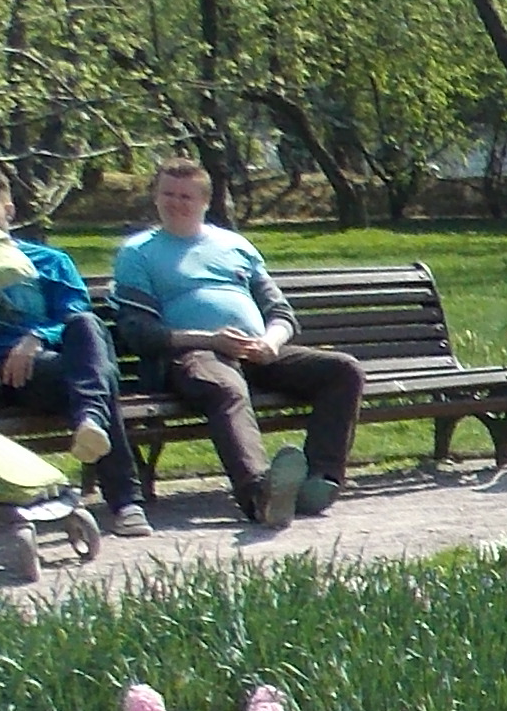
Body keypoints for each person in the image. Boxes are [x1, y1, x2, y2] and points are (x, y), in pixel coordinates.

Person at [111, 157, 360, 531]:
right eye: (168, 194)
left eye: (186, 196)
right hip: (190, 355)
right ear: (155, 197)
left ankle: (319, 481)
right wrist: (210, 340)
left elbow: (280, 311)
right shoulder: (139, 252)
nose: (176, 203)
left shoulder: (235, 245)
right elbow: (139, 332)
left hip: (257, 352)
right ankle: (260, 493)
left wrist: (271, 342)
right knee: (226, 387)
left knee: (342, 371)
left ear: (205, 202)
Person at [0, 164, 132, 529]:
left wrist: (35, 339)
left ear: (8, 209)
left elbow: (74, 314)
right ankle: (125, 501)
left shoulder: (49, 262)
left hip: (44, 372)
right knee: (99, 384)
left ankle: (91, 419)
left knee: (86, 326)